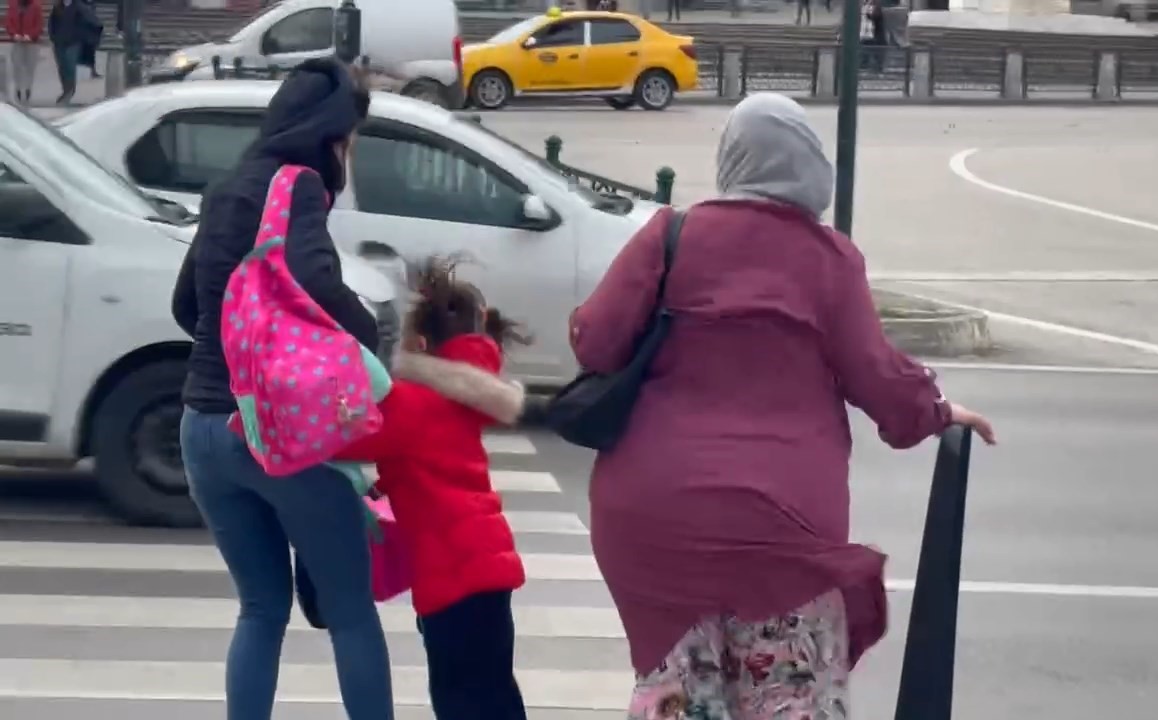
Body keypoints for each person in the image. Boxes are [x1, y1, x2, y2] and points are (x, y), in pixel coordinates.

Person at [572, 92, 996, 719]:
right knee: (786, 698)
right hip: (779, 527)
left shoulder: (671, 235)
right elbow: (880, 381)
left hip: (654, 520)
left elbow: (596, 342)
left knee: (682, 700)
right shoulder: (827, 260)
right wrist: (935, 410)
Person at [171, 58, 525, 720]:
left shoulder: (223, 190)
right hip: (267, 438)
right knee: (350, 611)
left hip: (199, 428)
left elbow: (186, 306)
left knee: (260, 609)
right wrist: (371, 353)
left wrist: (234, 358)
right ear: (335, 134)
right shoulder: (299, 183)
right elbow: (313, 277)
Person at [332, 256, 531, 720]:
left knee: (458, 697)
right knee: (496, 691)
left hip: (451, 581)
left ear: (420, 345)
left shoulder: (411, 404)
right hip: (489, 571)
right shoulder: (465, 401)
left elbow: (345, 443)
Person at [46, 0, 91, 104]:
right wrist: (53, 36)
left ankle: (70, 90)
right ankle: (65, 89)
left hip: (73, 43)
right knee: (62, 67)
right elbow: (51, 23)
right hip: (59, 43)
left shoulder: (79, 8)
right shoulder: (57, 7)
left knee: (70, 66)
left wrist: (78, 36)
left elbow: (85, 23)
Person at [4, 0, 43, 104]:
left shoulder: (36, 6)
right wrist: (14, 34)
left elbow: (39, 24)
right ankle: (18, 88)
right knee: (17, 66)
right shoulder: (13, 5)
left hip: (31, 42)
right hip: (17, 42)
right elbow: (8, 22)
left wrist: (30, 35)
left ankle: (27, 88)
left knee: (29, 67)